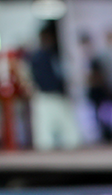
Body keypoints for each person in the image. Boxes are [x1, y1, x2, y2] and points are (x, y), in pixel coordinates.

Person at [28, 22, 81, 151]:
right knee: (44, 136)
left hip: (59, 96)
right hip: (44, 97)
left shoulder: (57, 54)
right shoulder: (37, 57)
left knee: (71, 135)